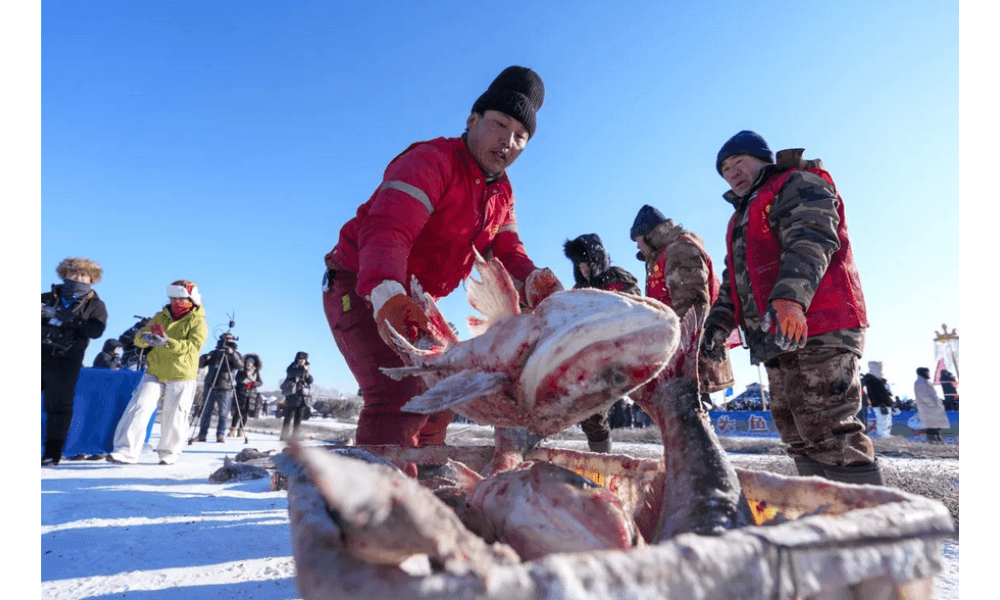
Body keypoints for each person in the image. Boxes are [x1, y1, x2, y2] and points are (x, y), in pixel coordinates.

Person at [321, 66, 561, 448]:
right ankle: (378, 484)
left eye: (521, 136)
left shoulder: (501, 193)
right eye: (500, 124)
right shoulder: (432, 161)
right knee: (401, 395)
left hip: (415, 302)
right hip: (360, 283)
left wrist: (533, 280)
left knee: (444, 394)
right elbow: (388, 230)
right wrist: (387, 294)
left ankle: (428, 475)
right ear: (472, 120)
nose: (508, 141)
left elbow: (507, 251)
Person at [700, 131, 884, 485]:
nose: (732, 173)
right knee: (796, 432)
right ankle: (822, 510)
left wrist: (791, 297)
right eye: (725, 170)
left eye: (738, 162)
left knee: (828, 427)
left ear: (762, 158)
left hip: (818, 323)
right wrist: (717, 324)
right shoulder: (740, 219)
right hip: (773, 335)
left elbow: (812, 238)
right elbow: (734, 281)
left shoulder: (796, 182)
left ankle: (866, 515)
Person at [629, 205, 735, 409]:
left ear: (650, 235)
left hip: (688, 358)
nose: (638, 248)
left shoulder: (679, 250)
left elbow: (691, 306)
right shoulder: (665, 254)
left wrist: (679, 357)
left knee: (689, 415)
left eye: (638, 241)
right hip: (678, 356)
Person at [108, 281, 207, 465]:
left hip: (181, 374)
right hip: (154, 371)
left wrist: (168, 342)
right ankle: (126, 450)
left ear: (191, 299)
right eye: (173, 298)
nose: (176, 302)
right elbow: (139, 337)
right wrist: (145, 338)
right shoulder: (160, 316)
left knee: (175, 415)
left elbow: (193, 346)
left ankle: (169, 452)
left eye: (180, 299)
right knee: (139, 406)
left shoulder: (197, 321)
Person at [562, 233, 640, 453]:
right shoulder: (578, 290)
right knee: (590, 413)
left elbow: (634, 309)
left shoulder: (617, 278)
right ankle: (601, 457)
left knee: (653, 402)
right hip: (591, 360)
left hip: (624, 353)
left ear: (597, 259)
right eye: (579, 265)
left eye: (586, 263)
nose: (583, 269)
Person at [41, 257, 108, 466]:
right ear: (64, 275)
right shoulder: (47, 297)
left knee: (58, 407)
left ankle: (52, 453)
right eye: (73, 274)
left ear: (91, 280)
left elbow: (96, 331)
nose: (77, 279)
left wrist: (71, 319)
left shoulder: (96, 305)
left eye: (83, 276)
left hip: (67, 360)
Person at [195, 332, 244, 442]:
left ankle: (220, 434)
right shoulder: (214, 353)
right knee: (206, 412)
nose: (227, 341)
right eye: (226, 339)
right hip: (210, 384)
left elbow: (240, 367)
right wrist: (204, 358)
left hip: (225, 386)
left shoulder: (236, 354)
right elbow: (200, 365)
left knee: (223, 413)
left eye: (230, 339)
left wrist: (232, 354)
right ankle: (202, 434)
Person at [280, 351, 314, 441]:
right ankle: (284, 435)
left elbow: (310, 380)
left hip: (302, 396)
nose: (301, 360)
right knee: (288, 417)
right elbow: (291, 373)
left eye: (303, 359)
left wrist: (307, 372)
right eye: (299, 359)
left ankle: (295, 435)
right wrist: (303, 369)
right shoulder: (292, 367)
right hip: (292, 395)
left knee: (298, 418)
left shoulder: (306, 369)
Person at [913, 367, 949, 444]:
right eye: (927, 372)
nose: (928, 374)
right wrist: (933, 404)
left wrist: (938, 402)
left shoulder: (925, 382)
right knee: (931, 426)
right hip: (928, 408)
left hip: (932, 408)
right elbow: (923, 396)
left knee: (935, 425)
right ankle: (933, 440)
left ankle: (936, 439)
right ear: (922, 373)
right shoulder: (920, 383)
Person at [862, 361, 894, 438]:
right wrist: (881, 403)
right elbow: (875, 394)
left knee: (886, 420)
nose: (881, 371)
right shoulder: (872, 380)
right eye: (879, 368)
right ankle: (882, 435)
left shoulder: (876, 380)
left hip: (884, 403)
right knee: (883, 420)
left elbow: (885, 393)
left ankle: (885, 434)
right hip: (881, 403)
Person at [232, 353, 263, 434]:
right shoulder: (241, 370)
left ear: (253, 364)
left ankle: (241, 429)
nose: (248, 364)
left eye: (250, 363)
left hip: (250, 395)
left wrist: (253, 384)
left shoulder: (256, 372)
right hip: (241, 393)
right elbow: (237, 379)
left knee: (245, 413)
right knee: (238, 412)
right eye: (247, 362)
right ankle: (233, 428)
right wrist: (246, 375)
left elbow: (260, 382)